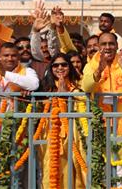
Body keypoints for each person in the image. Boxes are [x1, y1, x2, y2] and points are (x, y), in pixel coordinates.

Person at [38, 53, 87, 189]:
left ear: (69, 67)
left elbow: (82, 105)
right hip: (51, 133)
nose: (60, 68)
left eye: (64, 64)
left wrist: (66, 96)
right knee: (52, 167)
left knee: (75, 168)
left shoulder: (78, 85)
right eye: (56, 65)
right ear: (51, 68)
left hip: (74, 133)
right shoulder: (45, 87)